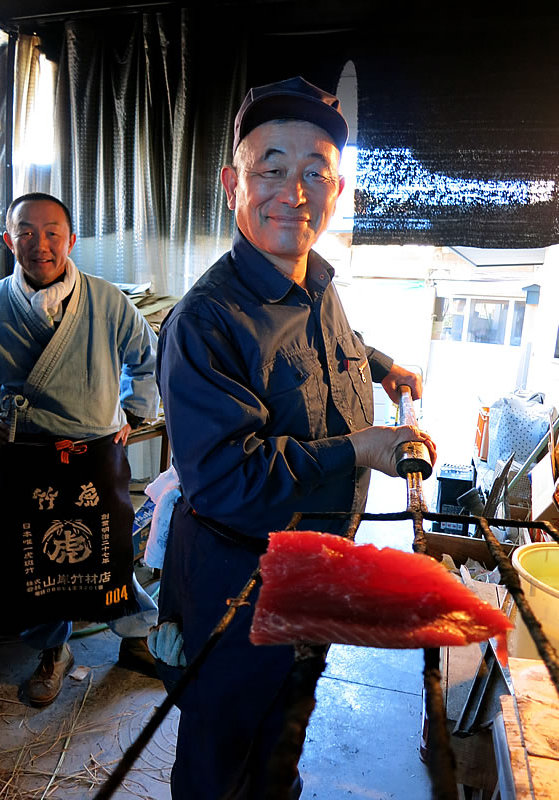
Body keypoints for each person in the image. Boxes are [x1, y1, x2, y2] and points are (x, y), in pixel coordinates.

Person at [153, 77, 437, 799]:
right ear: (231, 184)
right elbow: (226, 479)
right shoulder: (205, 322)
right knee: (223, 755)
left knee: (284, 738)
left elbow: (327, 347)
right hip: (238, 581)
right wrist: (361, 449)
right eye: (270, 168)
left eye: (315, 171)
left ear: (336, 189)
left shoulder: (319, 284)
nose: (294, 190)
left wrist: (379, 364)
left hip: (316, 568)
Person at [0, 192, 161, 707]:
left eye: (52, 232)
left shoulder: (108, 300)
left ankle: (136, 638)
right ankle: (54, 653)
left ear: (71, 239)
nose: (40, 244)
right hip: (28, 457)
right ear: (8, 240)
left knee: (109, 556)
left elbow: (147, 359)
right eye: (25, 231)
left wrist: (135, 413)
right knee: (38, 568)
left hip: (96, 453)